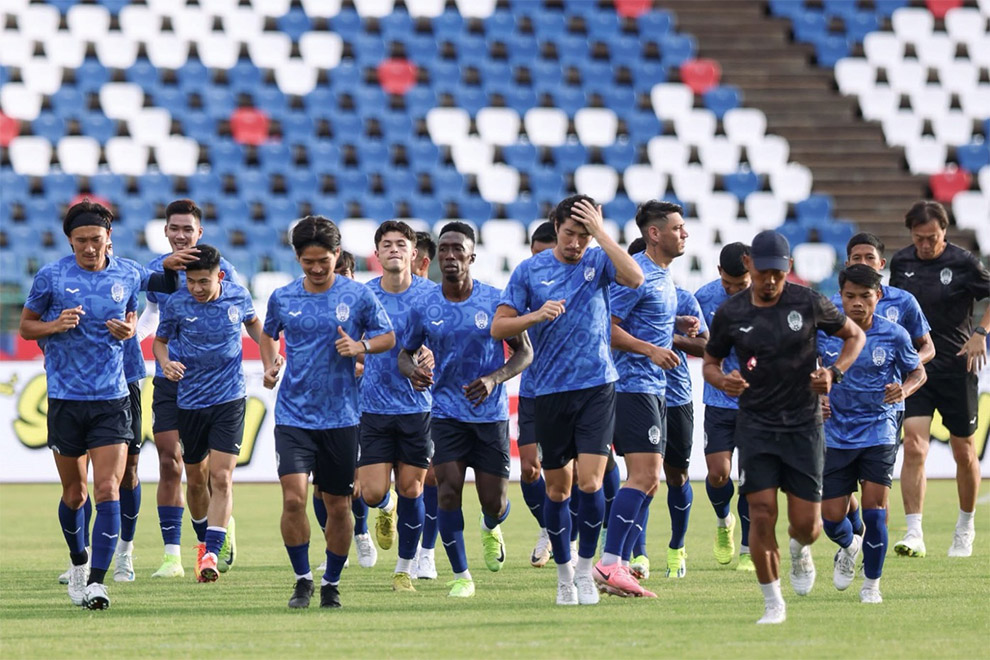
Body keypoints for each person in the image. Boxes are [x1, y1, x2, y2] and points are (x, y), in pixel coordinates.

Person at [20, 200, 194, 609]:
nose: (89, 247)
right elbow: (26, 325)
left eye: (96, 239)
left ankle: (98, 582)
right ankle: (79, 562)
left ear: (109, 238)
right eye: (81, 240)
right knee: (75, 494)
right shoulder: (52, 277)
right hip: (65, 399)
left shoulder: (128, 272)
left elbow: (160, 287)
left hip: (112, 398)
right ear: (69, 241)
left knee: (107, 488)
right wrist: (54, 325)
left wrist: (132, 326)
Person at [703, 229, 865, 625]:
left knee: (807, 527)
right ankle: (773, 602)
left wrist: (834, 374)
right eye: (763, 273)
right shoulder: (731, 313)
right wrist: (722, 380)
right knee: (760, 514)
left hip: (803, 428)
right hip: (755, 426)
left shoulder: (808, 302)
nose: (770, 280)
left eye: (778, 272)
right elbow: (710, 361)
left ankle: (799, 549)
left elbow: (854, 336)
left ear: (788, 268)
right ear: (749, 266)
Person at [493, 195, 644, 606]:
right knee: (558, 490)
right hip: (549, 391)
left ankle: (583, 571)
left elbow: (635, 279)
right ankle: (563, 575)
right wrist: (535, 316)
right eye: (569, 233)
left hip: (597, 385)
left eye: (583, 234)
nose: (576, 242)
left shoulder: (598, 262)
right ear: (555, 226)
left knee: (591, 481)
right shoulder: (530, 270)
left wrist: (602, 234)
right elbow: (499, 326)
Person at [260, 216, 394, 608]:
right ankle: (303, 579)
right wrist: (271, 364)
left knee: (338, 505)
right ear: (298, 258)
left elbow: (388, 336)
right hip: (293, 417)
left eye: (324, 260)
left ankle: (331, 582)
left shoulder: (358, 296)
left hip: (342, 418)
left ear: (338, 255)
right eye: (308, 261)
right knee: (293, 500)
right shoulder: (283, 297)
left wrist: (362, 348)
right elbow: (268, 333)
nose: (317, 269)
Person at [399, 222, 532, 598]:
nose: (451, 256)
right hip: (445, 415)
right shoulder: (425, 306)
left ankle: (491, 525)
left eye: (459, 250)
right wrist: (414, 373)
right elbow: (404, 354)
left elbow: (525, 352)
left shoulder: (496, 302)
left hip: (489, 417)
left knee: (494, 501)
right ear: (437, 256)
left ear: (472, 256)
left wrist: (494, 379)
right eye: (445, 250)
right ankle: (461, 575)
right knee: (447, 492)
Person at [137, 199, 240, 579]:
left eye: (188, 230)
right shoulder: (154, 270)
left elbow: (240, 316)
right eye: (175, 228)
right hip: (170, 379)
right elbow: (150, 316)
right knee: (169, 460)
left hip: (213, 387)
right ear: (165, 231)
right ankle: (172, 556)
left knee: (206, 475)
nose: (181, 235)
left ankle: (214, 535)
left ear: (200, 233)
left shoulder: (222, 270)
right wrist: (136, 339)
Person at [593, 201, 688, 598]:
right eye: (678, 228)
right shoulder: (639, 277)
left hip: (654, 388)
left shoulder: (662, 277)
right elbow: (608, 328)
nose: (684, 234)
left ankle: (618, 561)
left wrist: (673, 325)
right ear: (654, 233)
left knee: (649, 482)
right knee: (645, 477)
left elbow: (639, 322)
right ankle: (609, 562)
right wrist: (650, 349)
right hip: (632, 386)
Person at [153, 244, 263, 584]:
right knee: (196, 479)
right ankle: (210, 535)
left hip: (229, 398)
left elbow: (257, 327)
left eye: (204, 281)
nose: (197, 288)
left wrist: (271, 356)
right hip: (190, 401)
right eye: (191, 282)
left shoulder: (238, 298)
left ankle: (210, 553)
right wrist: (165, 362)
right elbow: (160, 342)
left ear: (221, 276)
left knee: (222, 477)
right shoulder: (176, 304)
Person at [819, 265, 927, 604]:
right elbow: (805, 369)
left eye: (865, 296)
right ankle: (851, 545)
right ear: (841, 296)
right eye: (850, 296)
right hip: (835, 433)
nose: (857, 303)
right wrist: (817, 396)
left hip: (879, 430)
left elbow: (918, 370)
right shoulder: (824, 333)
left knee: (875, 511)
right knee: (831, 520)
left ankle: (871, 586)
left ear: (878, 296)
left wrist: (905, 390)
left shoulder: (894, 334)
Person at [888, 201, 989, 559]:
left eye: (932, 238)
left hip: (957, 366)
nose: (926, 245)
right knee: (914, 446)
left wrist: (980, 332)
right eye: (919, 238)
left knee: (964, 451)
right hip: (917, 367)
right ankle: (914, 531)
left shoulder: (963, 262)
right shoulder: (902, 262)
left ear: (944, 231)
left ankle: (965, 526)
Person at [358, 221, 437, 592]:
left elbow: (448, 338)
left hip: (418, 408)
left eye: (400, 244)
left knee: (413, 489)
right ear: (377, 254)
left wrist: (436, 353)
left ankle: (405, 568)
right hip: (372, 406)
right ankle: (384, 508)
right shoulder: (362, 296)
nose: (393, 249)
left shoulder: (431, 295)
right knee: (372, 492)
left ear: (413, 253)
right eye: (386, 244)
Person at [694, 243, 755, 571]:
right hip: (718, 399)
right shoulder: (704, 298)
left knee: (749, 477)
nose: (734, 290)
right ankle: (723, 521)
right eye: (728, 284)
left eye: (741, 285)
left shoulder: (766, 298)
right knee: (718, 474)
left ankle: (747, 548)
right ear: (719, 273)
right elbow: (696, 341)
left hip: (756, 403)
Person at [513, 221, 558, 568]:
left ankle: (594, 533)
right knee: (529, 469)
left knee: (580, 471)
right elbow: (503, 324)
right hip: (532, 389)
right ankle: (549, 528)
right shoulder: (524, 283)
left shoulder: (576, 283)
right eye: (537, 254)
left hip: (574, 390)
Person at [656, 285, 707, 579]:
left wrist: (670, 337)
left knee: (676, 475)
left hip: (675, 397)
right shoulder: (619, 293)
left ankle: (677, 546)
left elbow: (704, 346)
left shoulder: (683, 298)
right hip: (632, 392)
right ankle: (638, 555)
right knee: (643, 475)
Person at [412, 229, 439, 575]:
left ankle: (426, 552)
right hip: (383, 404)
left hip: (435, 402)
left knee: (430, 479)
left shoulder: (439, 298)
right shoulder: (380, 295)